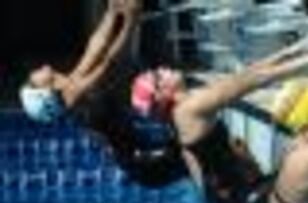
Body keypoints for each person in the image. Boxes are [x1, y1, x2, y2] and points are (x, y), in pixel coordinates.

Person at [131, 38, 308, 203]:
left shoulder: (184, 112)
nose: (162, 69)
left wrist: (292, 52)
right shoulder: (188, 110)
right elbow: (250, 80)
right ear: (161, 95)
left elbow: (247, 74)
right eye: (158, 77)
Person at [19, 0, 189, 188]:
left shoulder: (70, 86)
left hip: (146, 153)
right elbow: (111, 61)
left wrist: (111, 11)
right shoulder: (78, 97)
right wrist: (131, 21)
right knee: (207, 152)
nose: (31, 74)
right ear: (46, 92)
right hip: (147, 162)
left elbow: (94, 49)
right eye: (32, 82)